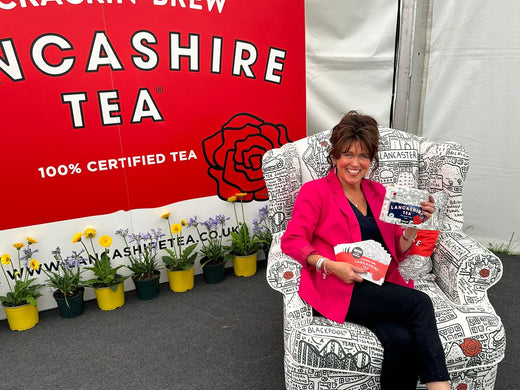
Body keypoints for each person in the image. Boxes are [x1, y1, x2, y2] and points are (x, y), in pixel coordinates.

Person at [280, 111, 450, 390]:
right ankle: (441, 387)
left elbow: (397, 249)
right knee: (420, 303)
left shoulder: (379, 193)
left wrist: (412, 227)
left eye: (363, 157)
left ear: (371, 161)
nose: (355, 163)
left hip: (379, 285)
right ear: (335, 156)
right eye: (348, 154)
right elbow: (293, 240)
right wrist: (330, 265)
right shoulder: (315, 192)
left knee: (402, 340)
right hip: (341, 284)